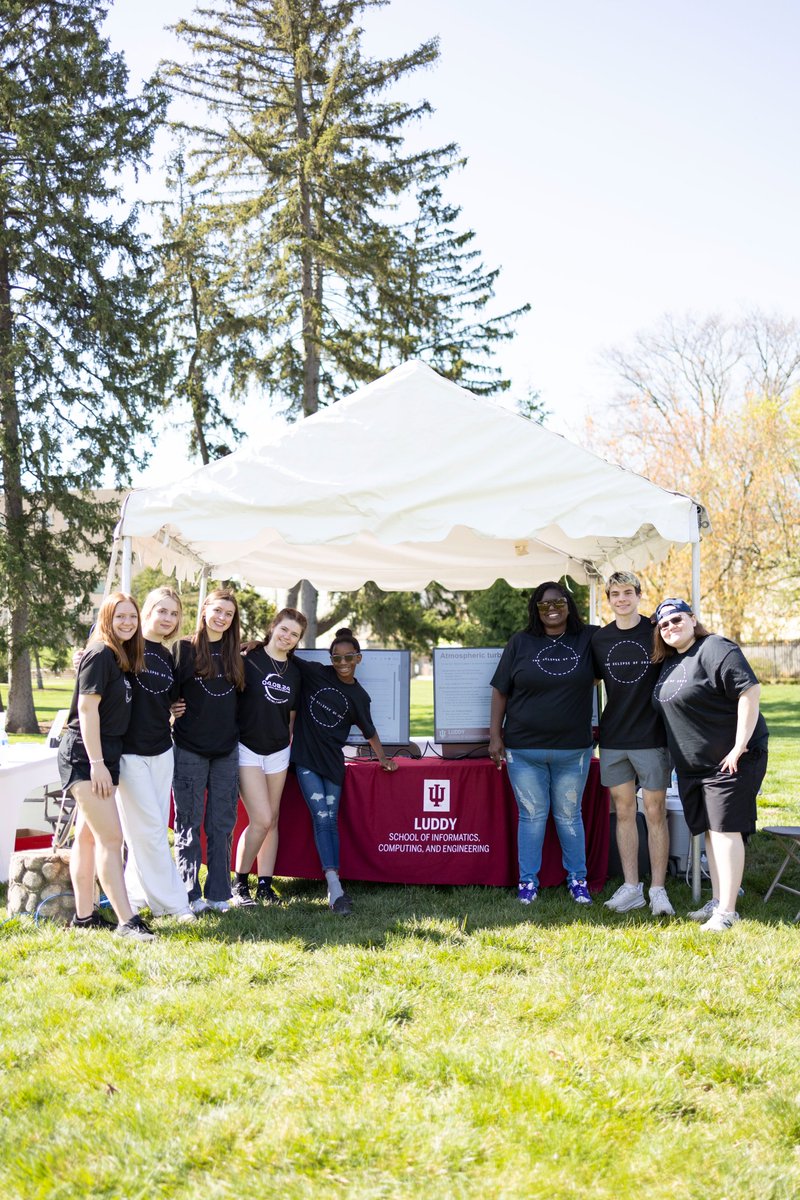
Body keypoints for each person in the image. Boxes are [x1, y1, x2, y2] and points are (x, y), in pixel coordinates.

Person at [652, 598, 768, 933]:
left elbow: (750, 691)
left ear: (691, 619)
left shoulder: (714, 647)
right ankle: (718, 901)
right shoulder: (670, 662)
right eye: (664, 625)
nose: (671, 627)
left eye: (676, 619)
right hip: (691, 768)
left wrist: (739, 746)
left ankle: (727, 912)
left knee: (725, 830)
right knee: (708, 833)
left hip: (730, 761)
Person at [489, 581, 598, 905]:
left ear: (569, 604)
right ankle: (527, 883)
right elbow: (500, 690)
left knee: (569, 816)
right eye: (544, 604)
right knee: (533, 817)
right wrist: (495, 736)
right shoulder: (520, 642)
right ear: (536, 609)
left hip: (573, 751)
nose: (552, 608)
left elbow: (626, 639)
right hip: (524, 751)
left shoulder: (589, 638)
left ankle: (578, 880)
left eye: (558, 602)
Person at [57, 592, 155, 941]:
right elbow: (86, 710)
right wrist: (97, 764)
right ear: (107, 619)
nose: (127, 623)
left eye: (132, 617)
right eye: (120, 617)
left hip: (105, 755)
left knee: (86, 838)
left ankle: (84, 917)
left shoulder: (119, 658)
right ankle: (127, 921)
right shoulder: (100, 653)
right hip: (86, 755)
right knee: (112, 839)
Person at [291, 627, 397, 914]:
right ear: (330, 659)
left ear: (358, 658)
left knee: (331, 821)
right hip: (306, 759)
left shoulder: (359, 696)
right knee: (322, 818)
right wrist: (258, 643)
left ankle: (334, 883)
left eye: (348, 657)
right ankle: (335, 887)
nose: (342, 663)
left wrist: (383, 758)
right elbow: (283, 651)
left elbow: (369, 731)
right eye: (336, 658)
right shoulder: (316, 673)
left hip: (333, 764)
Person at [592, 572, 674, 916]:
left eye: (628, 592)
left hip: (651, 737)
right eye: (615, 593)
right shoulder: (600, 640)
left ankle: (657, 889)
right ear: (608, 599)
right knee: (624, 811)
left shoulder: (656, 631)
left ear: (639, 595)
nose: (622, 598)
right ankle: (631, 888)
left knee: (654, 812)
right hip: (614, 738)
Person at [115, 587, 195, 923]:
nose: (167, 618)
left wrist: (174, 709)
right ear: (147, 611)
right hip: (129, 753)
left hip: (162, 750)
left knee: (148, 829)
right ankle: (174, 904)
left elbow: (169, 701)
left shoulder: (167, 655)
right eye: (161, 611)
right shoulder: (123, 648)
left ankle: (135, 894)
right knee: (149, 830)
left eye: (174, 614)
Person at [172, 588, 244, 915]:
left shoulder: (235, 656)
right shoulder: (183, 649)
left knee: (222, 823)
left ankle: (218, 893)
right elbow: (163, 688)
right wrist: (171, 706)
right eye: (217, 611)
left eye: (228, 614)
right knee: (188, 822)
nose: (222, 618)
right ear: (205, 610)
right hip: (189, 748)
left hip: (226, 751)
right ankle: (189, 892)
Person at [230, 607, 307, 908]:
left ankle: (265, 885)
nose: (287, 637)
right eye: (284, 629)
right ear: (273, 627)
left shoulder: (296, 672)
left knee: (272, 820)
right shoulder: (248, 659)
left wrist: (285, 743)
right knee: (260, 818)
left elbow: (290, 716)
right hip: (247, 748)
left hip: (278, 751)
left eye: (295, 635)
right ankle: (240, 884)